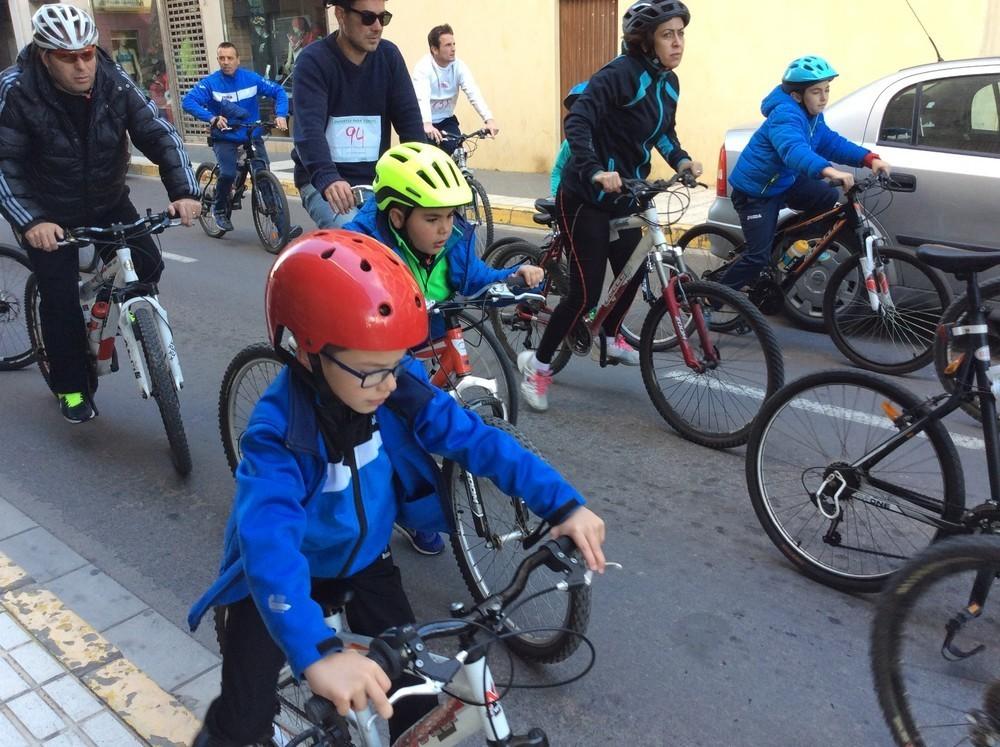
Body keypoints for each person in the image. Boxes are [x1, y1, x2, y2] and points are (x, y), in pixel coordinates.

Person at [187, 230, 606, 747]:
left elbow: (476, 440)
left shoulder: (388, 386)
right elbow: (268, 542)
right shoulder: (279, 434)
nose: (391, 383)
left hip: (364, 561)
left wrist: (561, 501)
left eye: (397, 362)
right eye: (371, 370)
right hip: (279, 579)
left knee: (421, 708)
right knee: (241, 717)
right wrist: (315, 654)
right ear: (305, 353)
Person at [0, 3, 200, 424]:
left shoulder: (114, 81)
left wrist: (184, 191)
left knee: (147, 262)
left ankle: (125, 315)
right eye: (68, 58)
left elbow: (157, 133)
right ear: (44, 55)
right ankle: (71, 385)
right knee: (59, 301)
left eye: (87, 54)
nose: (81, 67)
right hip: (47, 212)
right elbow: (5, 165)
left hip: (107, 199)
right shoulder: (16, 90)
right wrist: (32, 221)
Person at [343, 141, 544, 554]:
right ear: (396, 216)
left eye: (451, 216)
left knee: (432, 413)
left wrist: (515, 278)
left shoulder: (452, 241)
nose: (445, 229)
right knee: (390, 432)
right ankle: (393, 511)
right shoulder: (360, 248)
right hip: (376, 352)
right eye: (432, 218)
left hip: (428, 336)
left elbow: (476, 279)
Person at [519, 0, 702, 413]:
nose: (677, 43)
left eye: (681, 33)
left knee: (634, 270)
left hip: (626, 194)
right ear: (646, 41)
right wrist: (596, 169)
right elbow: (578, 120)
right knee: (584, 293)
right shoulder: (620, 74)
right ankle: (538, 364)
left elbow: (664, 134)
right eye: (668, 34)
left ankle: (609, 334)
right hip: (586, 196)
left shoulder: (669, 83)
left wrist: (683, 161)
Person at [718, 55, 891, 293]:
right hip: (757, 193)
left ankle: (792, 247)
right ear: (796, 96)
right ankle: (710, 297)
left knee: (825, 196)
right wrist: (828, 170)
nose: (824, 98)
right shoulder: (784, 115)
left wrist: (869, 159)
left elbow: (831, 143)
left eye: (827, 90)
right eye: (816, 92)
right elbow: (793, 150)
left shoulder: (812, 117)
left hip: (783, 182)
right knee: (757, 258)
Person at [291, 0, 424, 229]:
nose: (377, 27)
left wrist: (422, 171)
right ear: (341, 14)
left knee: (429, 232)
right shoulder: (314, 61)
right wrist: (327, 178)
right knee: (357, 239)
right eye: (367, 18)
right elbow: (309, 131)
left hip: (379, 181)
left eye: (383, 18)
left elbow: (410, 123)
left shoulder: (389, 57)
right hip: (327, 182)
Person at [183, 42, 290, 232]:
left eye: (230, 58)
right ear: (218, 60)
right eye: (221, 58)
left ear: (238, 60)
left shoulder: (251, 78)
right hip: (225, 138)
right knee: (228, 173)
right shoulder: (210, 83)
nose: (226, 62)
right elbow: (188, 101)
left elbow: (279, 91)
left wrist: (281, 114)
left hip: (251, 136)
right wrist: (212, 118)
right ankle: (219, 210)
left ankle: (282, 226)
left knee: (263, 177)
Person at [411, 24, 499, 154]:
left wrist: (489, 120)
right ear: (434, 49)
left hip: (446, 121)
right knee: (427, 160)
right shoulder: (423, 68)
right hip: (424, 122)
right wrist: (427, 124)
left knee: (458, 153)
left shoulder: (459, 66)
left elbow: (473, 92)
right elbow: (421, 97)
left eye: (454, 44)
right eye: (448, 45)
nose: (453, 49)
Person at [550, 81, 588, 196]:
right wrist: (556, 196)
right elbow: (558, 170)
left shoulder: (612, 141)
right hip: (573, 200)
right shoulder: (570, 144)